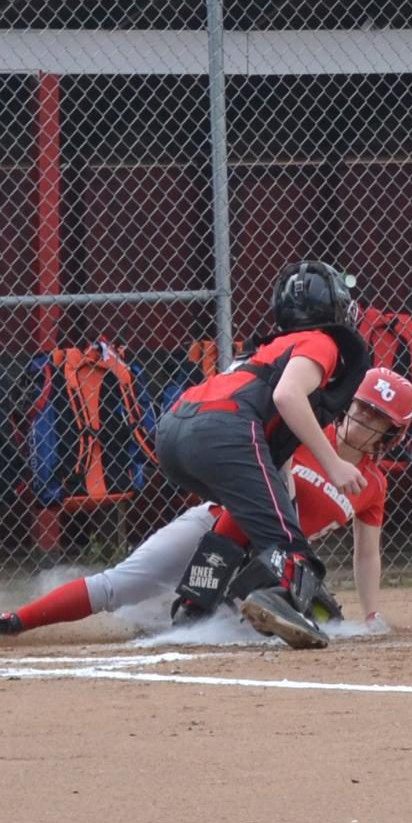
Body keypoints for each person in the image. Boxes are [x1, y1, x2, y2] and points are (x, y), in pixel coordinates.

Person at [0, 367, 412, 645]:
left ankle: (197, 611)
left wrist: (371, 613)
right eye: (362, 408)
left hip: (269, 559)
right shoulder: (304, 430)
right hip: (214, 527)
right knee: (120, 586)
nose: (364, 422)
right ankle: (11, 622)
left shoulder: (371, 484)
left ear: (392, 433)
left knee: (299, 616)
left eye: (379, 419)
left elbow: (366, 552)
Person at [137, 261, 370, 650]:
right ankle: (279, 592)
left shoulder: (267, 348)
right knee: (288, 548)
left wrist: (284, 514)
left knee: (254, 520)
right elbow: (287, 395)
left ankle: (195, 605)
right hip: (223, 431)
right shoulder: (321, 341)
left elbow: (273, 460)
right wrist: (333, 463)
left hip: (174, 431)